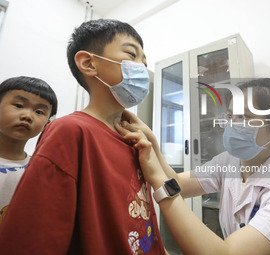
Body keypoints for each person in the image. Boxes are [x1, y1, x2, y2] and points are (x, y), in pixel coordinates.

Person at [0, 19, 166, 255]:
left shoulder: (135, 139)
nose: (141, 67)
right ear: (88, 63)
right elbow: (35, 239)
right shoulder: (69, 131)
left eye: (145, 61)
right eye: (132, 55)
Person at [117, 78, 270, 255]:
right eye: (231, 116)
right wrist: (153, 144)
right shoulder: (229, 161)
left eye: (245, 117)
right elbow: (178, 183)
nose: (232, 124)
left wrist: (159, 182)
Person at [0, 76, 57, 224]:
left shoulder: (39, 170)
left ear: (47, 124)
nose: (27, 116)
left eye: (39, 112)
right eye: (19, 105)